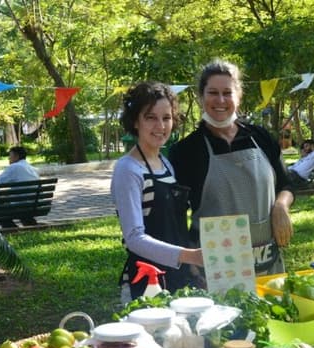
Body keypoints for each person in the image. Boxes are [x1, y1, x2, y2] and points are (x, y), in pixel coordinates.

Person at [168, 59, 295, 287]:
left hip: (268, 265)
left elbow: (286, 185)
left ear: (239, 96)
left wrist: (281, 206)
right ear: (201, 97)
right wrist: (190, 262)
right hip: (216, 269)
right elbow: (175, 217)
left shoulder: (261, 138)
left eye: (227, 92)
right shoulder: (186, 151)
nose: (220, 100)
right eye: (212, 93)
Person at [111, 81, 203, 301]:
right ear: (135, 121)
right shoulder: (128, 169)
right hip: (146, 279)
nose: (160, 126)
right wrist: (190, 256)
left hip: (179, 274)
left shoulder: (166, 163)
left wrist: (192, 267)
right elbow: (134, 238)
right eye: (150, 117)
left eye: (166, 118)